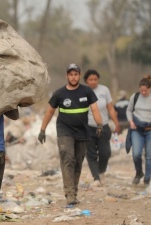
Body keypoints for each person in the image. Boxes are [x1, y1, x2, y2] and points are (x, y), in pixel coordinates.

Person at [38, 63, 102, 205]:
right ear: (67, 76)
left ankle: (74, 191)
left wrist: (99, 124)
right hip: (64, 131)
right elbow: (49, 112)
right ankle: (69, 194)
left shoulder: (87, 92)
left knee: (78, 163)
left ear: (79, 76)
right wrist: (42, 130)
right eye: (71, 75)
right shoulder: (59, 94)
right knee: (68, 158)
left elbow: (95, 109)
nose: (73, 77)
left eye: (76, 74)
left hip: (82, 132)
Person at [83, 69, 120, 187]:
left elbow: (110, 108)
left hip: (103, 125)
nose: (93, 82)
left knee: (105, 152)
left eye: (95, 79)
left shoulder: (104, 90)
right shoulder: (82, 91)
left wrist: (116, 123)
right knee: (91, 153)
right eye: (90, 80)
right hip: (88, 127)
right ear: (86, 81)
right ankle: (96, 178)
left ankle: (101, 171)